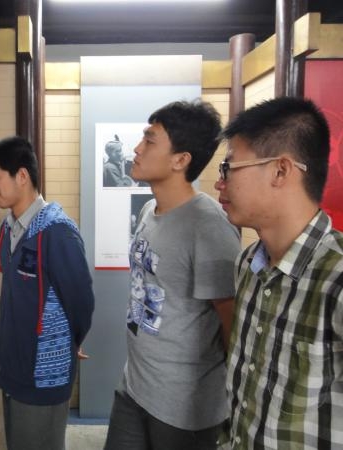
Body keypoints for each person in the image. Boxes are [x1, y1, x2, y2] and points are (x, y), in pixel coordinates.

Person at [104, 100, 241, 450]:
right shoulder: (149, 210)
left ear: (180, 160)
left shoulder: (209, 227)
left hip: (183, 406)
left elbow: (231, 324)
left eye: (150, 140)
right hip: (134, 385)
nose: (137, 148)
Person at [214, 97, 343, 448]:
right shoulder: (248, 263)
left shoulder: (336, 278)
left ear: (281, 171)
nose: (219, 184)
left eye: (228, 168)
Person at [0, 136, 95, 450]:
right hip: (13, 369)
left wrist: (71, 341)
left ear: (21, 176)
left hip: (44, 374)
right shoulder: (9, 228)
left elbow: (81, 303)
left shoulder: (57, 232)